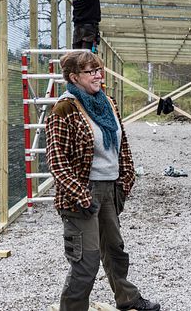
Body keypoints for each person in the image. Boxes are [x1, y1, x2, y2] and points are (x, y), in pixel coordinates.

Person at [45, 51, 159, 311]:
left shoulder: (107, 103)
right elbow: (57, 162)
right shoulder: (64, 109)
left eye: (99, 70)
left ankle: (127, 298)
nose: (98, 75)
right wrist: (81, 196)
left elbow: (123, 145)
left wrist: (126, 178)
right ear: (74, 77)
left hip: (110, 189)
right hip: (81, 194)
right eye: (91, 71)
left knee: (115, 249)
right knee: (86, 260)